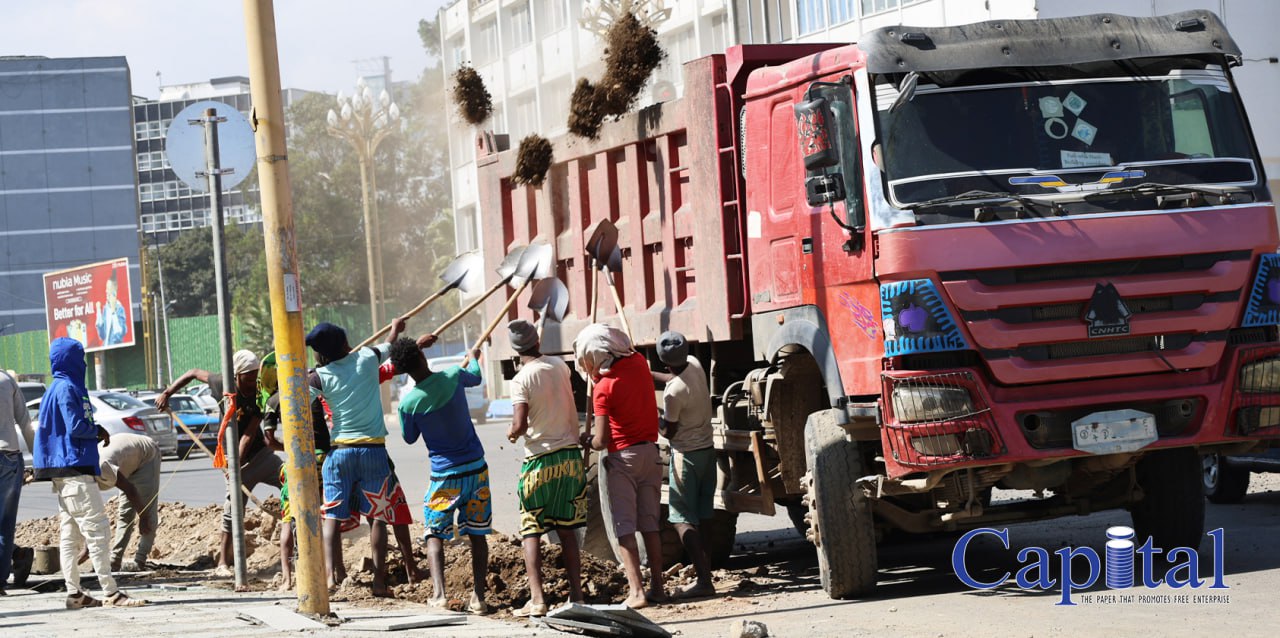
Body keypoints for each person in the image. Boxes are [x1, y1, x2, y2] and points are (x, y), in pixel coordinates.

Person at [34, 338, 145, 608]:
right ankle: (111, 592)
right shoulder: (68, 387)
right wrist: (97, 430)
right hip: (75, 471)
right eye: (81, 357)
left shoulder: (56, 388)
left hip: (65, 473)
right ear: (71, 360)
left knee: (70, 536)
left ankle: (75, 594)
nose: (84, 363)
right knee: (97, 531)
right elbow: (75, 426)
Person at [156, 349, 282, 575]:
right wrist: (168, 393)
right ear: (237, 375)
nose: (254, 381)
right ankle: (223, 562)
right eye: (249, 377)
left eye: (256, 376)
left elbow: (249, 434)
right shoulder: (221, 384)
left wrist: (235, 462)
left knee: (293, 483)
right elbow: (193, 373)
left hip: (260, 457)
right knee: (232, 512)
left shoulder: (258, 394)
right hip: (237, 464)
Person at [306, 320, 407, 597]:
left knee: (332, 517)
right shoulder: (367, 357)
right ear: (345, 343)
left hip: (339, 453)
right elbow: (394, 345)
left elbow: (298, 400)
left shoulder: (319, 376)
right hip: (373, 450)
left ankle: (329, 579)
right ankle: (378, 582)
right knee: (377, 517)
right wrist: (396, 329)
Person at [391, 335, 490, 614]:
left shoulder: (408, 404)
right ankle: (478, 598)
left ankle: (439, 594)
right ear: (423, 357)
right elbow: (475, 377)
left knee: (434, 533)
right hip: (476, 470)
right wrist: (473, 356)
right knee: (477, 533)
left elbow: (410, 438)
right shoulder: (453, 375)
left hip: (445, 477)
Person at [575, 323, 666, 609]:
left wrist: (586, 439)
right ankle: (659, 588)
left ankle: (637, 591)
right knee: (650, 525)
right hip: (651, 455)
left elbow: (601, 441)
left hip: (622, 460)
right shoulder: (640, 363)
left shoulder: (603, 389)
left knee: (624, 527)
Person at [504, 320, 587, 617]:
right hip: (570, 461)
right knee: (567, 531)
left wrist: (511, 433)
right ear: (538, 340)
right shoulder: (560, 366)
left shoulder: (520, 379)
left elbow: (519, 424)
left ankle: (538, 600)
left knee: (531, 532)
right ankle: (576, 595)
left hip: (540, 462)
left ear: (514, 350)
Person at [653, 331, 716, 598]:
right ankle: (706, 569)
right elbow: (675, 378)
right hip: (707, 453)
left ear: (663, 360)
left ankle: (704, 581)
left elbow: (668, 432)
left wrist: (653, 414)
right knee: (705, 515)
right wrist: (648, 376)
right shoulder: (695, 363)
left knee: (680, 519)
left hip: (686, 457)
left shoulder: (672, 395)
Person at [84, 432, 162, 573]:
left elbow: (130, 490)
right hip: (127, 460)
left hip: (146, 455)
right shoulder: (81, 478)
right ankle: (115, 561)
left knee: (147, 509)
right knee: (125, 514)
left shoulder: (102, 467)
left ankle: (140, 560)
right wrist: (87, 545)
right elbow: (90, 515)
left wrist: (142, 517)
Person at [0, 369, 36, 596]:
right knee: (5, 523)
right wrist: (39, 461)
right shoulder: (6, 379)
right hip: (9, 456)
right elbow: (25, 422)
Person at [94, 275, 128, 346]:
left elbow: (118, 336)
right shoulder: (105, 309)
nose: (106, 291)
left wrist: (113, 311)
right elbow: (102, 336)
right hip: (105, 346)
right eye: (106, 288)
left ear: (114, 292)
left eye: (109, 289)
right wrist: (99, 312)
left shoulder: (120, 309)